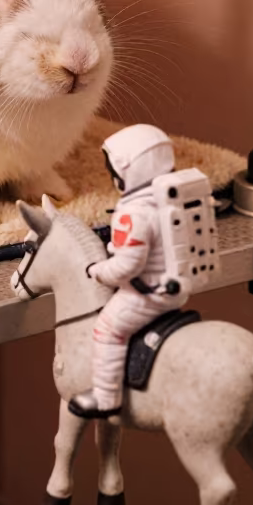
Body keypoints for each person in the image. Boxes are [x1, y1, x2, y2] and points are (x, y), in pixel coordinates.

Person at [68, 123, 189, 420]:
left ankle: (105, 397)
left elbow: (128, 267)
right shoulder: (173, 199)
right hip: (176, 285)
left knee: (107, 328)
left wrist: (99, 271)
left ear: (126, 172)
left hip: (150, 292)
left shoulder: (132, 214)